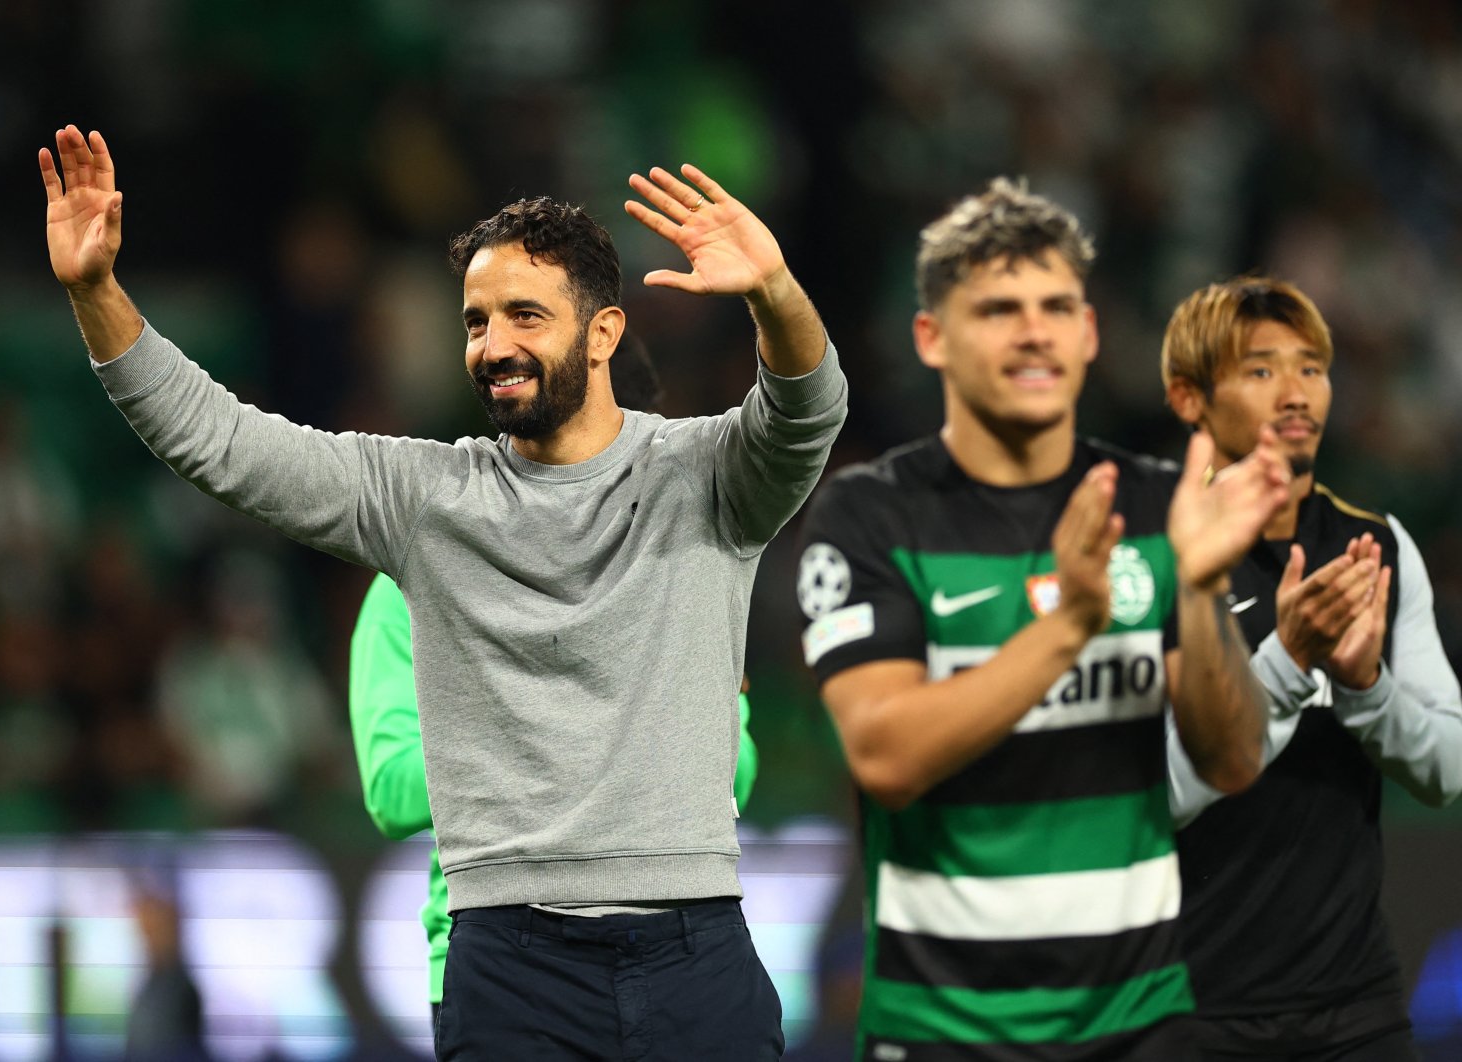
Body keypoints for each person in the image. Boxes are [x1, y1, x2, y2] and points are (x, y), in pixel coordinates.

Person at [39, 123, 846, 1060]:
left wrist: (776, 296)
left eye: (525, 316)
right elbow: (218, 442)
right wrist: (96, 292)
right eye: (475, 321)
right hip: (510, 965)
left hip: (695, 949)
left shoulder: (706, 474)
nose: (493, 345)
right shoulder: (426, 500)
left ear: (605, 331)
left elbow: (807, 412)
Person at [795, 178, 1290, 1061]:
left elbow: (1233, 756)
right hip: (943, 1033)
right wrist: (1069, 628)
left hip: (1141, 1027)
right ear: (931, 339)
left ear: (1090, 333)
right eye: (998, 310)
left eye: (1057, 306)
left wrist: (1204, 589)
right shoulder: (870, 516)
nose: (1034, 331)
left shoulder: (1157, 508)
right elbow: (887, 756)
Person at [346, 331, 760, 1031]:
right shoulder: (419, 573)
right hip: (499, 949)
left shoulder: (685, 563)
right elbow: (391, 787)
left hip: (676, 944)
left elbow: (736, 778)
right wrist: (592, 720)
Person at [1160, 275, 1462, 1061]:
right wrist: (1288, 662)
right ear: (1190, 397)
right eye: (1260, 370)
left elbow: (1449, 771)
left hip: (1353, 1011)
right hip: (1180, 1010)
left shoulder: (1380, 548)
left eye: (1312, 368)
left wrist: (1368, 689)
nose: (1295, 394)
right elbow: (1144, 797)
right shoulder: (1148, 559)